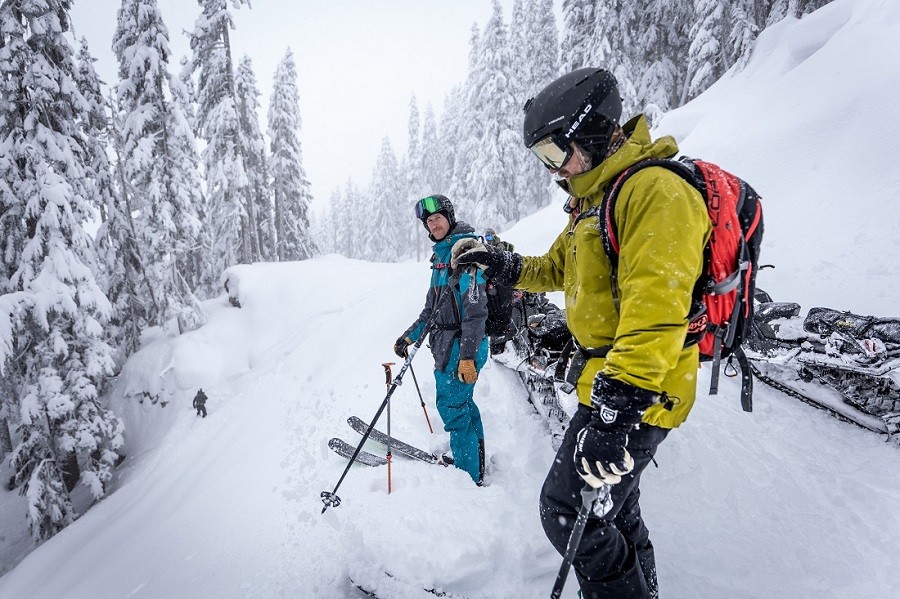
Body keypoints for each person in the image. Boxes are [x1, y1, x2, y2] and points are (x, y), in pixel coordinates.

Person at [452, 68, 711, 598]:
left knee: (566, 512)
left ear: (592, 132)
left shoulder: (654, 192)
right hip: (614, 383)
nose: (552, 171)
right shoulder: (595, 200)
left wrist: (615, 412)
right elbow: (556, 269)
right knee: (616, 506)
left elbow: (656, 314)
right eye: (543, 159)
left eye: (555, 153)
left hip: (641, 391)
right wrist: (501, 262)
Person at [394, 195, 489, 485]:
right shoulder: (440, 257)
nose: (434, 224)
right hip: (447, 346)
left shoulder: (465, 252)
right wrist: (408, 337)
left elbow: (475, 311)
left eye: (438, 218)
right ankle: (475, 462)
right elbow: (430, 310)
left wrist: (468, 356)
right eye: (429, 221)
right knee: (464, 406)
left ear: (449, 217)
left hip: (462, 345)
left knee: (453, 408)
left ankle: (468, 475)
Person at [482, 228, 516, 355]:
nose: (488, 239)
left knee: (500, 305)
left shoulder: (498, 245)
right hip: (493, 280)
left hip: (500, 280)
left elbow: (499, 261)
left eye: (490, 237)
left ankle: (501, 330)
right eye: (487, 237)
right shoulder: (487, 246)